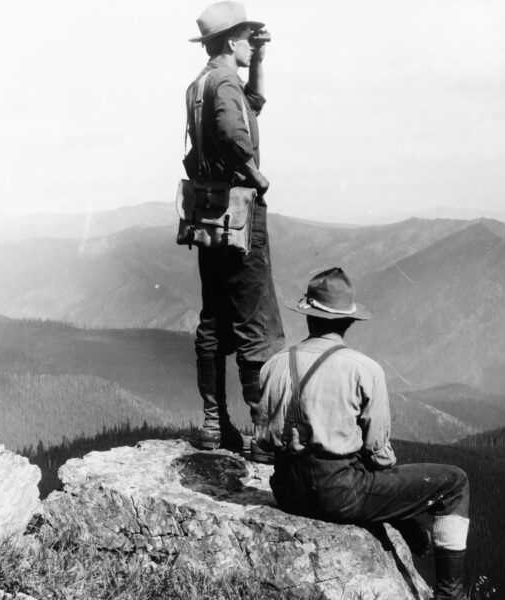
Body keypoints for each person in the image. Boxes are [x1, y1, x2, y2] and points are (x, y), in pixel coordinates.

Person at [256, 267, 471, 600]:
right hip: (339, 495)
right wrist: (400, 503)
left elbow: (264, 438)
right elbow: (378, 453)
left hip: (287, 491)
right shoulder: (364, 369)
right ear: (348, 322)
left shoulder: (273, 364)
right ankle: (450, 594)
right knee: (455, 482)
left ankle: (405, 523)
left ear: (308, 317)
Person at [184, 2, 285, 460]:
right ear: (229, 41)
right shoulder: (224, 82)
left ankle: (212, 422)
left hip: (209, 215)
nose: (252, 44)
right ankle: (264, 432)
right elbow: (232, 131)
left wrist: (260, 60)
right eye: (248, 38)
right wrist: (256, 175)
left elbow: (253, 104)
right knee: (253, 318)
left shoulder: (200, 84)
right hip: (241, 210)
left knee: (214, 316)